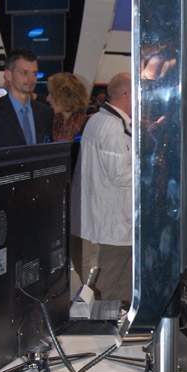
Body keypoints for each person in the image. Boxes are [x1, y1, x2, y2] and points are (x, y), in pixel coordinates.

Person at [71, 72, 133, 304]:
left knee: (111, 290)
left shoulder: (97, 120)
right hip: (114, 226)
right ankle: (100, 324)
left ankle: (107, 323)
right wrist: (152, 168)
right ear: (128, 94)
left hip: (104, 222)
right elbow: (120, 174)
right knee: (108, 289)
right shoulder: (113, 127)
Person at [0, 48, 53, 148]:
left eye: (34, 73)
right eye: (24, 72)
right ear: (8, 75)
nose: (31, 79)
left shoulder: (45, 112)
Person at [47, 72, 89, 167]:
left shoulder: (87, 126)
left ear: (64, 96)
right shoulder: (53, 122)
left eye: (52, 94)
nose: (48, 98)